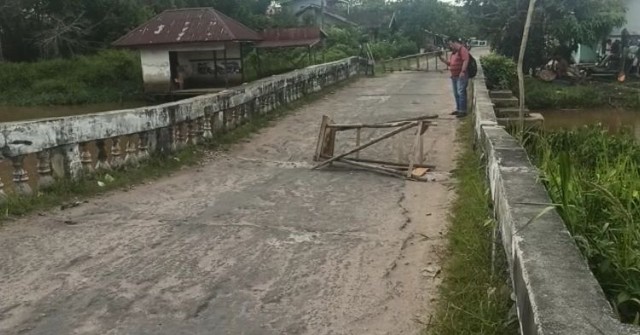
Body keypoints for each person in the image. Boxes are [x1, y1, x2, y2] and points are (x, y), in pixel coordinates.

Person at [438, 37, 471, 118]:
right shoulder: (454, 53)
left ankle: (463, 111)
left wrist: (463, 71)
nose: (450, 46)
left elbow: (466, 60)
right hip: (454, 76)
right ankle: (459, 109)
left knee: (461, 92)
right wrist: (442, 59)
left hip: (461, 75)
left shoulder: (462, 49)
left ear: (454, 42)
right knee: (456, 93)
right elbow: (451, 64)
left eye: (450, 44)